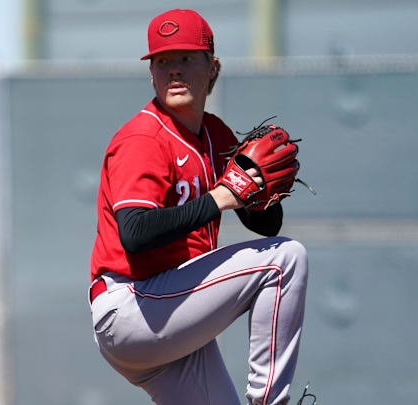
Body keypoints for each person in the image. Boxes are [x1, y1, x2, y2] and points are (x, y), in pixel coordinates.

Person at [89, 9, 309, 405]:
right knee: (284, 259)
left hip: (172, 315)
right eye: (163, 61)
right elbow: (135, 234)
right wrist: (220, 198)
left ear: (213, 67)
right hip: (133, 306)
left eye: (186, 58)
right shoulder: (144, 138)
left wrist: (262, 188)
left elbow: (267, 226)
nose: (174, 71)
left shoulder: (217, 134)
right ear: (152, 73)